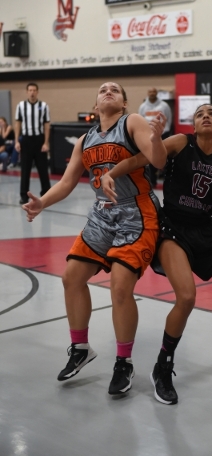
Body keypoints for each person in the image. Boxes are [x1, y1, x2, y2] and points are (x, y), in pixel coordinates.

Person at [101, 103, 212, 406]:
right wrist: (111, 172)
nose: (205, 116)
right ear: (194, 125)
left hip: (205, 231)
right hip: (173, 228)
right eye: (200, 114)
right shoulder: (180, 142)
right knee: (187, 297)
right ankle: (162, 366)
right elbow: (144, 159)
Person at [22, 81, 167, 395]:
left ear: (125, 103)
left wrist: (156, 140)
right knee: (71, 277)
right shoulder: (86, 139)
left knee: (119, 286)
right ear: (96, 103)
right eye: (103, 89)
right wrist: (42, 203)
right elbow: (68, 181)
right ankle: (80, 348)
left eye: (115, 89)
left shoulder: (132, 122)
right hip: (102, 213)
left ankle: (124, 362)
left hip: (136, 212)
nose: (108, 91)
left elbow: (158, 161)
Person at [14, 82, 51, 204]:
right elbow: (18, 124)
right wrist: (17, 141)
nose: (32, 92)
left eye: (34, 90)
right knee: (25, 169)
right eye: (30, 90)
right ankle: (24, 195)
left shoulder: (44, 106)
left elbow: (46, 125)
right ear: (27, 92)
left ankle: (46, 193)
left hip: (39, 140)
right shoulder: (21, 106)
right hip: (26, 140)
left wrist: (46, 142)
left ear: (37, 92)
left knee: (43, 168)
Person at [138, 87, 172, 187]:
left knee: (166, 158)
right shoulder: (143, 106)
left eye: (154, 91)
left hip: (163, 134)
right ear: (148, 93)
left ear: (156, 93)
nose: (152, 93)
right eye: (150, 91)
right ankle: (152, 182)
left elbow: (168, 119)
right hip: (149, 135)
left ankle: (168, 181)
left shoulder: (164, 105)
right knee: (151, 158)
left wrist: (165, 131)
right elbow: (140, 121)